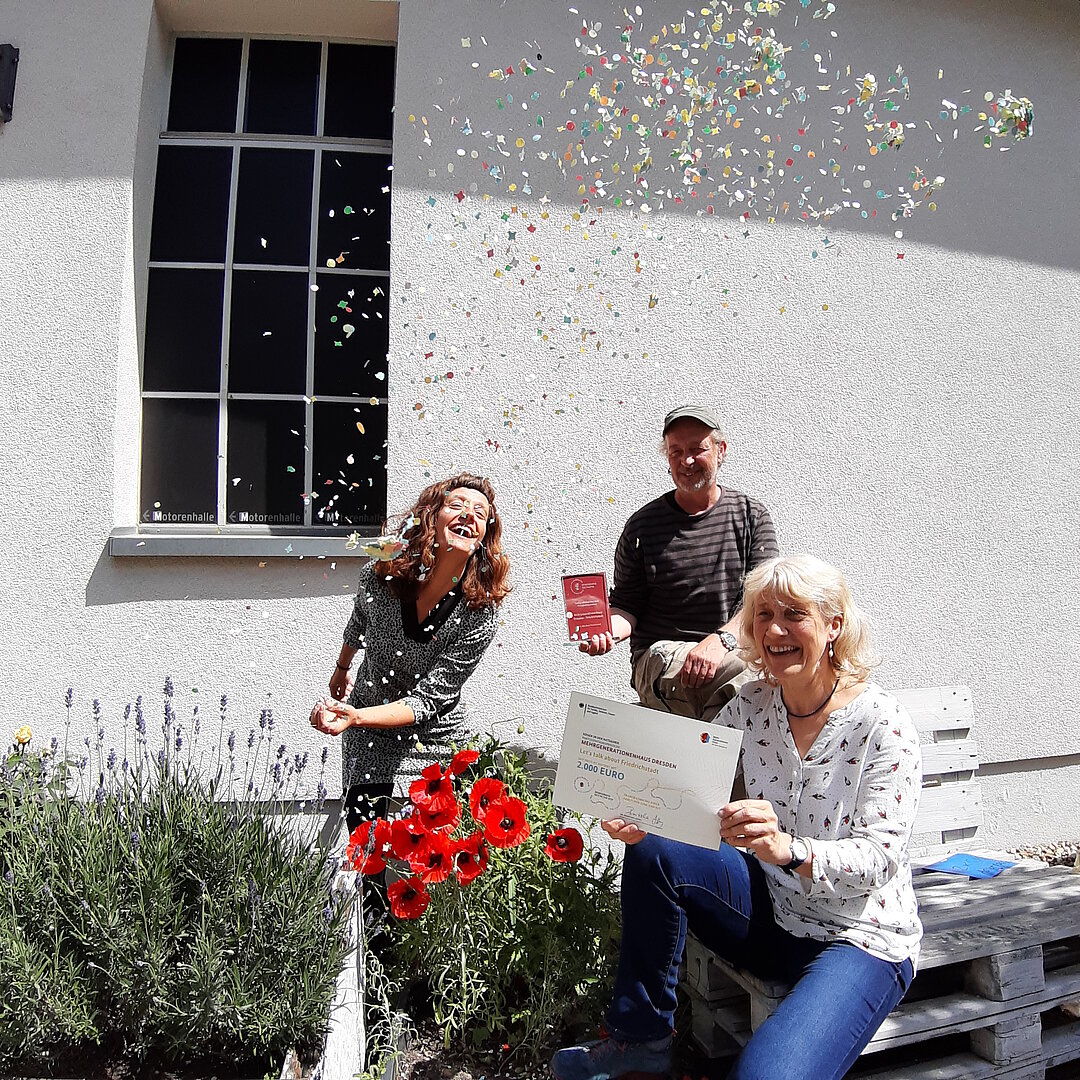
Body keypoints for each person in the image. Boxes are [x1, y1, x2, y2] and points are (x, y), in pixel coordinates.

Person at [553, 555, 923, 1080]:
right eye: (762, 615)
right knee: (655, 850)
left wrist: (789, 849)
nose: (775, 629)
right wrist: (646, 815)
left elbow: (881, 857)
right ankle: (642, 1040)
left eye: (794, 614)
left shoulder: (881, 724)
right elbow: (689, 791)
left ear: (834, 624)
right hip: (773, 912)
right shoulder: (753, 703)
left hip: (858, 937)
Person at [310, 473, 511, 831]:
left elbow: (429, 699)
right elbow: (360, 616)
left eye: (481, 513)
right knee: (368, 852)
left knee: (438, 860)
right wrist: (342, 667)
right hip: (369, 732)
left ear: (484, 537)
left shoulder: (481, 612)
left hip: (436, 737)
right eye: (457, 505)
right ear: (431, 518)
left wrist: (354, 716)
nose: (470, 515)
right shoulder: (381, 574)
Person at [580, 405, 777, 720]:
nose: (687, 461)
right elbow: (626, 605)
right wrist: (605, 632)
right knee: (744, 679)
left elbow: (763, 602)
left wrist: (720, 640)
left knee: (767, 678)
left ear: (720, 450)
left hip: (730, 654)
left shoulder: (752, 517)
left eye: (697, 449)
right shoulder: (642, 527)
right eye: (676, 452)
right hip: (659, 659)